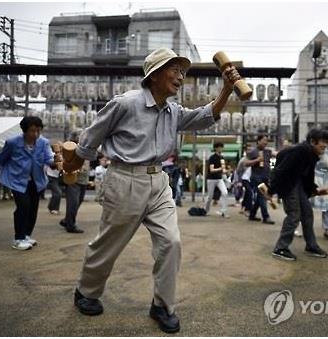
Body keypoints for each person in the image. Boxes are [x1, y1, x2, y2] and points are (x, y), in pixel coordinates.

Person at [70, 48, 240, 333]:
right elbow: (90, 138)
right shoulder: (124, 104)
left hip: (160, 182)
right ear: (154, 75)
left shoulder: (173, 111)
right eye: (174, 70)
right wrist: (73, 166)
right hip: (125, 180)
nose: (180, 77)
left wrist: (227, 89)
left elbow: (204, 116)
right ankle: (86, 292)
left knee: (171, 242)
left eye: (182, 72)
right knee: (108, 245)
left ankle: (162, 305)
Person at [0, 116, 62, 250]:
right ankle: (18, 238)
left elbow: (48, 160)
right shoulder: (12, 142)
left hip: (36, 181)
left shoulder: (43, 143)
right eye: (32, 131)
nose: (35, 134)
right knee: (23, 206)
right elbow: (1, 158)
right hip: (17, 180)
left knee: (33, 208)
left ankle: (27, 235)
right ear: (24, 131)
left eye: (38, 131)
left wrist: (55, 162)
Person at [268, 129, 328, 261]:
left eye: (327, 142)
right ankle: (280, 248)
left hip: (297, 184)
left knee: (307, 213)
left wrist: (315, 190)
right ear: (312, 141)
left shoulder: (312, 154)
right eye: (323, 142)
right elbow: (281, 169)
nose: (325, 145)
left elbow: (308, 177)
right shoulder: (301, 151)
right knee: (294, 214)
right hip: (288, 183)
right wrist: (271, 189)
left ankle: (311, 246)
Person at [59, 129, 89, 234]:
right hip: (73, 179)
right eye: (81, 135)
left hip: (84, 179)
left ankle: (67, 220)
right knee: (73, 203)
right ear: (75, 137)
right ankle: (70, 225)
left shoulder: (85, 147)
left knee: (78, 202)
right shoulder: (69, 148)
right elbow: (64, 162)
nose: (84, 137)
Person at [244, 135, 275, 224]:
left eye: (267, 141)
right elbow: (246, 163)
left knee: (259, 197)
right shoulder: (253, 151)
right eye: (264, 140)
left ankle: (252, 214)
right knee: (263, 195)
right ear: (258, 141)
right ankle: (266, 217)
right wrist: (257, 160)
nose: (266, 142)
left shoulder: (267, 151)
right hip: (256, 178)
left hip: (265, 177)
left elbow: (276, 156)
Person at [205, 142, 230, 218]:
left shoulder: (222, 157)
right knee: (210, 196)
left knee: (225, 192)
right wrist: (221, 169)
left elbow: (223, 169)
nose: (221, 149)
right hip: (211, 179)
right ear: (216, 148)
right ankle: (206, 210)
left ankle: (224, 211)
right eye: (219, 147)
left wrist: (226, 171)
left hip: (219, 178)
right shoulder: (212, 158)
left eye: (221, 147)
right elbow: (211, 170)